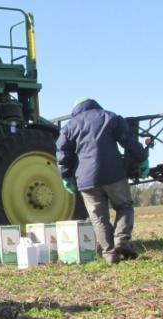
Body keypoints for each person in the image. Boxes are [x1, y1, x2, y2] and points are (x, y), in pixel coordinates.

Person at [56, 98, 149, 265]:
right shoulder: (110, 117)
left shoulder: (69, 127)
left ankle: (110, 254)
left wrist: (66, 176)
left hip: (86, 180)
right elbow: (129, 141)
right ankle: (121, 240)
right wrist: (142, 159)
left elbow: (63, 155)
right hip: (114, 174)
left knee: (99, 218)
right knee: (124, 206)